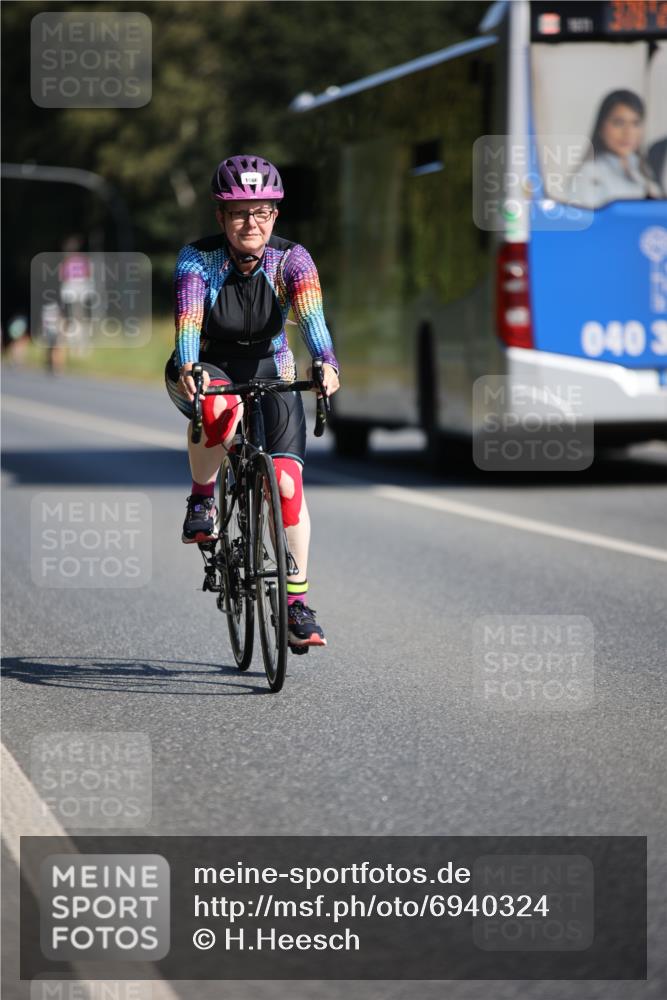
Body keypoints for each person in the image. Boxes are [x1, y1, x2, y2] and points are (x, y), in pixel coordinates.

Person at [165, 155, 340, 649]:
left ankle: (296, 605)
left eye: (261, 211)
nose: (251, 223)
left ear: (274, 215)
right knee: (219, 410)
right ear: (220, 217)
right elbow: (189, 327)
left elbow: (313, 321)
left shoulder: (293, 260)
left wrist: (326, 362)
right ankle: (202, 499)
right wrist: (191, 367)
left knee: (286, 483)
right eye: (239, 213)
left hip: (272, 366)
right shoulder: (197, 260)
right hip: (208, 366)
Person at [566, 89, 664, 209]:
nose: (628, 133)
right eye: (618, 123)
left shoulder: (643, 171)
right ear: (601, 128)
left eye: (635, 123)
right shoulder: (589, 174)